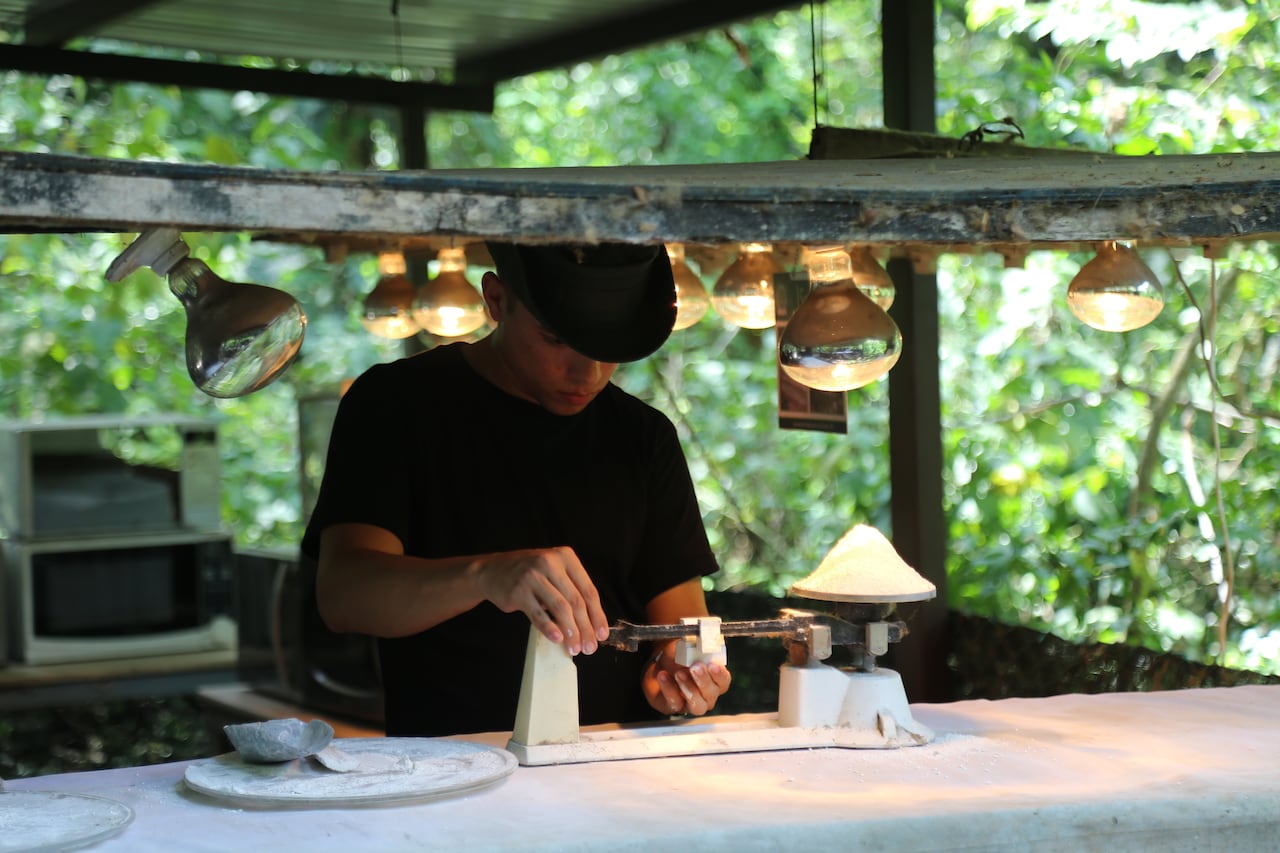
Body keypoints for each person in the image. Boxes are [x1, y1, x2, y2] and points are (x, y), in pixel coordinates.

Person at [301, 240, 732, 737]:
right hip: (449, 766)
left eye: (607, 349)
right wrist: (486, 575)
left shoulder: (642, 436)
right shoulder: (397, 405)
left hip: (611, 763)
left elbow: (679, 632)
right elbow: (344, 595)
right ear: (497, 301)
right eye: (556, 339)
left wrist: (679, 676)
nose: (587, 373)